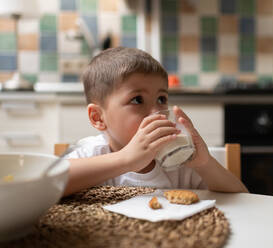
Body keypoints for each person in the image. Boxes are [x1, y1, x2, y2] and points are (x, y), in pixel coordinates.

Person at [63, 46, 248, 196]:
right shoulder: (93, 154)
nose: (157, 113)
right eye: (137, 100)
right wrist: (126, 159)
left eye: (161, 99)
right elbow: (49, 182)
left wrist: (204, 163)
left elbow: (242, 198)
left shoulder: (178, 164)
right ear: (98, 118)